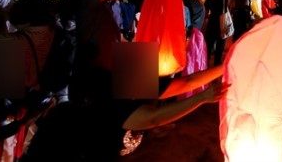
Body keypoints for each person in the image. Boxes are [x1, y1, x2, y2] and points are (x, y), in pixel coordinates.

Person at [22, 65, 230, 160]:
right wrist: (202, 98)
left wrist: (227, 63)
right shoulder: (111, 108)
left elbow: (186, 82)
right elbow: (154, 118)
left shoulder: (132, 80)